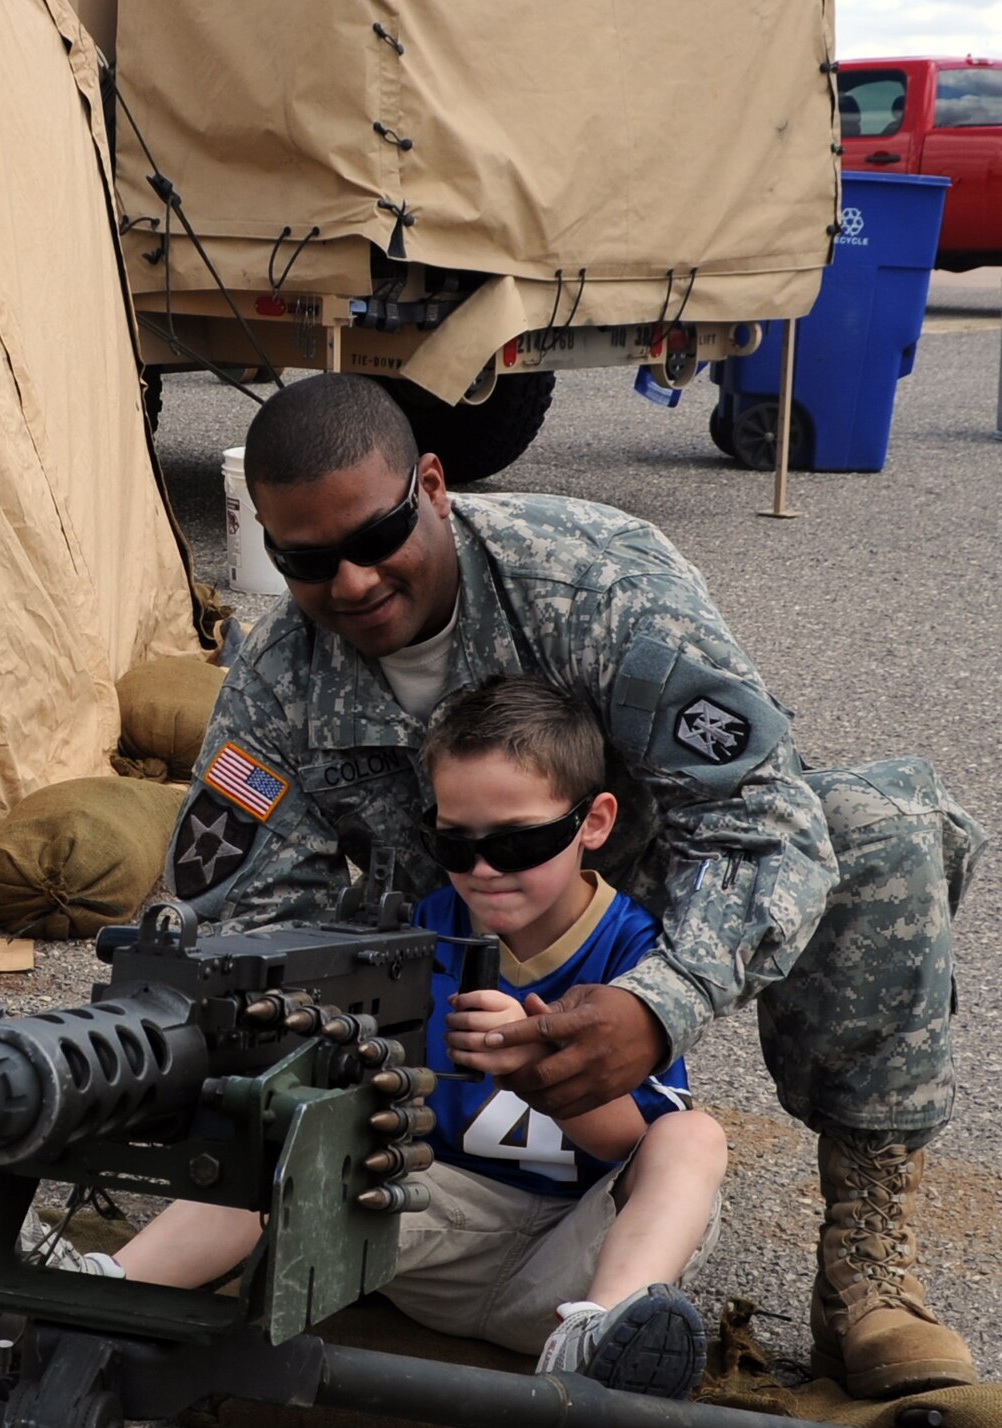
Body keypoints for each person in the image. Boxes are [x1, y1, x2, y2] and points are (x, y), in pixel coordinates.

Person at [161, 372, 984, 1397]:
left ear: (430, 486)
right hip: (435, 924)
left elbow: (758, 819)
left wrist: (657, 1004)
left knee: (877, 830)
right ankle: (365, 1208)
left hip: (626, 867)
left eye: (375, 539)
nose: (353, 583)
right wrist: (323, 1056)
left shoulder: (592, 583)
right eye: (307, 562)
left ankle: (865, 1273)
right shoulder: (275, 678)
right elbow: (237, 916)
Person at [99, 674, 728, 1397]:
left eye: (518, 843)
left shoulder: (637, 951)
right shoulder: (421, 930)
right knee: (291, 1137)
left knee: (694, 1138)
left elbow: (631, 1146)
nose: (483, 870)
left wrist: (545, 1067)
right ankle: (103, 1293)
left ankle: (602, 1338)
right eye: (456, 846)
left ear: (593, 822)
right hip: (421, 1235)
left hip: (576, 1260)